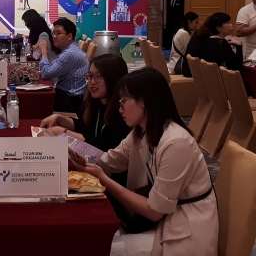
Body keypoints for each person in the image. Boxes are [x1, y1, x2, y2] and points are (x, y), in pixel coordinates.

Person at [77, 68, 217, 255]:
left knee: (102, 247)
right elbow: (110, 161)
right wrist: (75, 152)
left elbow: (155, 211)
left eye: (123, 101)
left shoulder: (176, 142)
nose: (120, 109)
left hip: (185, 230)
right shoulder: (141, 131)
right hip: (160, 220)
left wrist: (104, 180)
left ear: (144, 101)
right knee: (93, 235)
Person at [40, 54, 131, 159]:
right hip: (92, 160)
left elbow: (105, 145)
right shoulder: (97, 102)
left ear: (113, 78)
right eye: (90, 76)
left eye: (98, 76)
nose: (92, 82)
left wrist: (64, 133)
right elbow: (86, 126)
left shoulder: (123, 110)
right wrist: (60, 118)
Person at [36, 18, 89, 112]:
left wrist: (44, 51)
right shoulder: (69, 50)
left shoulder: (70, 53)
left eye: (58, 33)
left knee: (34, 103)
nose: (54, 36)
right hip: (68, 96)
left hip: (70, 100)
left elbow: (46, 73)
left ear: (69, 36)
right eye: (53, 33)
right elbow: (51, 67)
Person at [182, 12, 243, 78]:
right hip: (220, 80)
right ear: (218, 28)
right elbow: (236, 66)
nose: (231, 25)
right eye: (228, 23)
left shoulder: (206, 41)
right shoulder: (222, 43)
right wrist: (239, 45)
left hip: (208, 79)